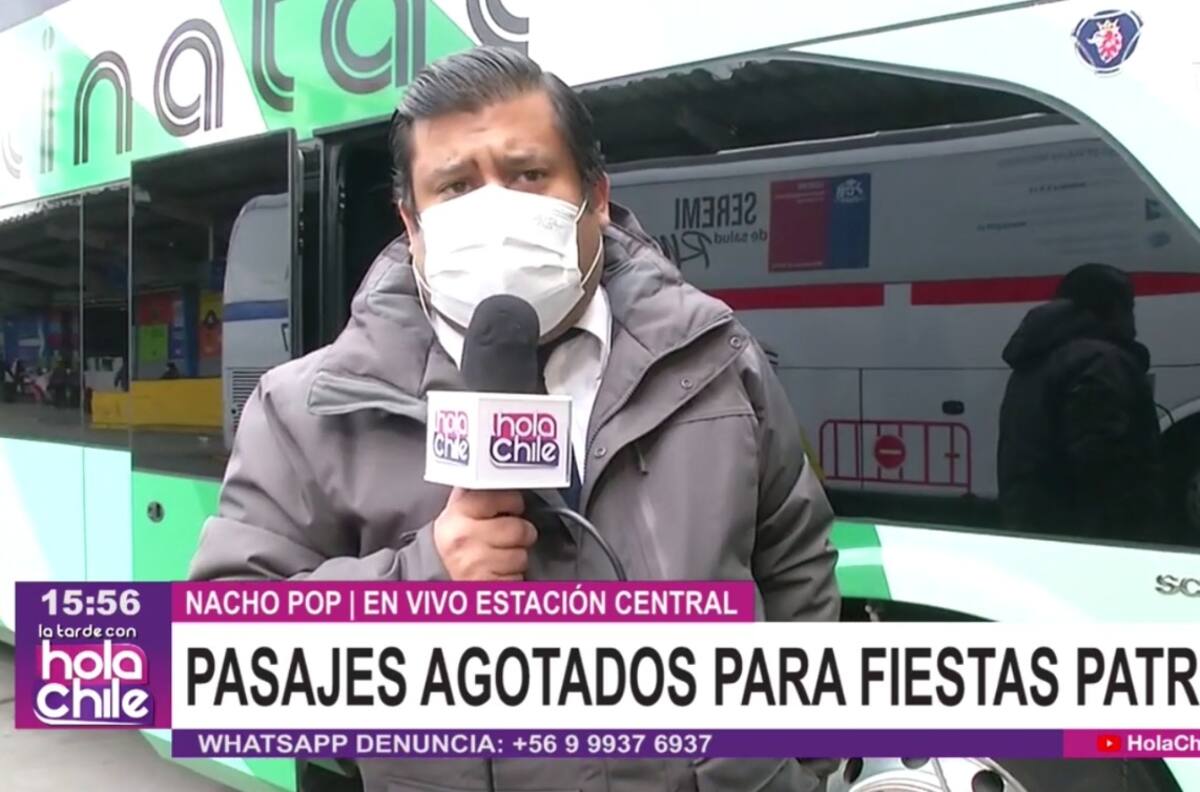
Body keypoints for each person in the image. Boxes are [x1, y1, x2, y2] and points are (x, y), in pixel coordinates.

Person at [190, 47, 839, 792]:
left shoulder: (717, 362)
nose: (494, 211)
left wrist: (797, 766)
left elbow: (795, 569)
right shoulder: (307, 409)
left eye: (528, 175)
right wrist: (424, 581)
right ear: (413, 222)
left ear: (594, 196)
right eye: (456, 187)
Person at [998, 263, 1165, 542]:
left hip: (1034, 522)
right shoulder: (1100, 362)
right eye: (1130, 308)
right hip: (1085, 534)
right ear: (1113, 308)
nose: (1134, 324)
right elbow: (1103, 461)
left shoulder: (1039, 355)